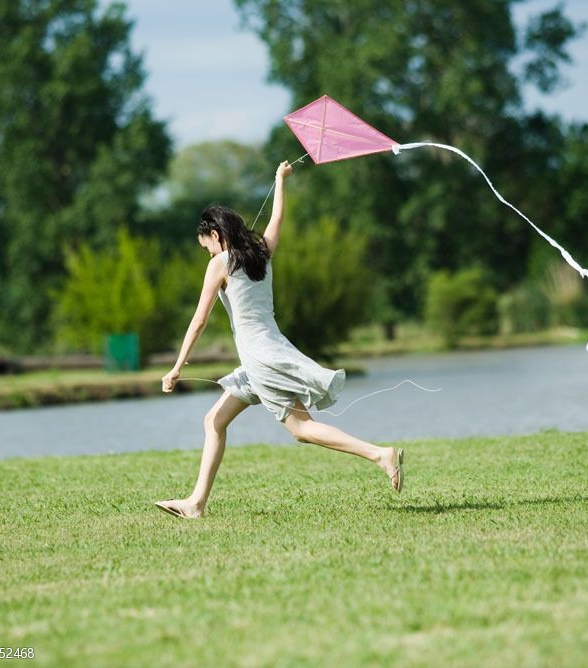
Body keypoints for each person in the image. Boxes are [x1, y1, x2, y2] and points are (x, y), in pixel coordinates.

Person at [155, 160, 404, 519]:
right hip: (269, 352)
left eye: (205, 245)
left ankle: (380, 454)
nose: (206, 252)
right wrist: (280, 180)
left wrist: (176, 368)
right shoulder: (262, 254)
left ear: (215, 235)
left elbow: (199, 321)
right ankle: (195, 504)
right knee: (214, 421)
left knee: (302, 429)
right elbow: (276, 222)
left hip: (261, 360)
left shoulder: (221, 263)